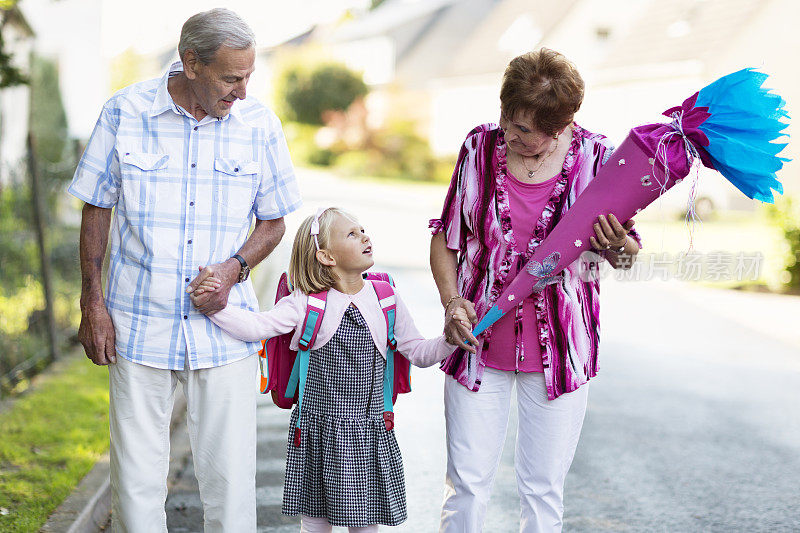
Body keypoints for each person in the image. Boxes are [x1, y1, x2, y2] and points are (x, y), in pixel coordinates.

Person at [68, 9, 301, 532]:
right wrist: (92, 302)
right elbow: (96, 206)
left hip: (225, 333)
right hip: (137, 325)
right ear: (190, 62)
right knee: (134, 487)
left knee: (231, 487)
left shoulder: (259, 124)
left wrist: (235, 268)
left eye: (249, 77)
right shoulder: (124, 112)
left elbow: (273, 222)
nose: (242, 91)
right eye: (230, 77)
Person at [429, 48, 642, 533]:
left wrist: (616, 245)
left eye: (524, 130)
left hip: (562, 352)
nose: (509, 134)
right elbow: (445, 237)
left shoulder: (599, 159)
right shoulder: (479, 149)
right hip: (477, 342)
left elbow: (628, 255)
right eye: (507, 119)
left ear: (561, 125)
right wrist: (451, 301)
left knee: (543, 490)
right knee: (465, 483)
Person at [192, 207, 474, 533]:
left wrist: (451, 339)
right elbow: (257, 327)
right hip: (317, 433)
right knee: (315, 525)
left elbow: (420, 353)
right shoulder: (306, 303)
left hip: (368, 432)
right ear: (326, 256)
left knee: (365, 524)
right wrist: (214, 307)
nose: (365, 236)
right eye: (352, 234)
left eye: (363, 229)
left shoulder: (386, 298)